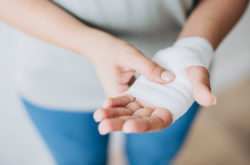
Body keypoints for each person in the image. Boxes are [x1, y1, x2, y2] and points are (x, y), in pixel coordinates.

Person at [0, 0, 248, 165]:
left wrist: (193, 49)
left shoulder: (177, 83)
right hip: (55, 82)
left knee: (153, 159)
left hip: (176, 84)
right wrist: (89, 43)